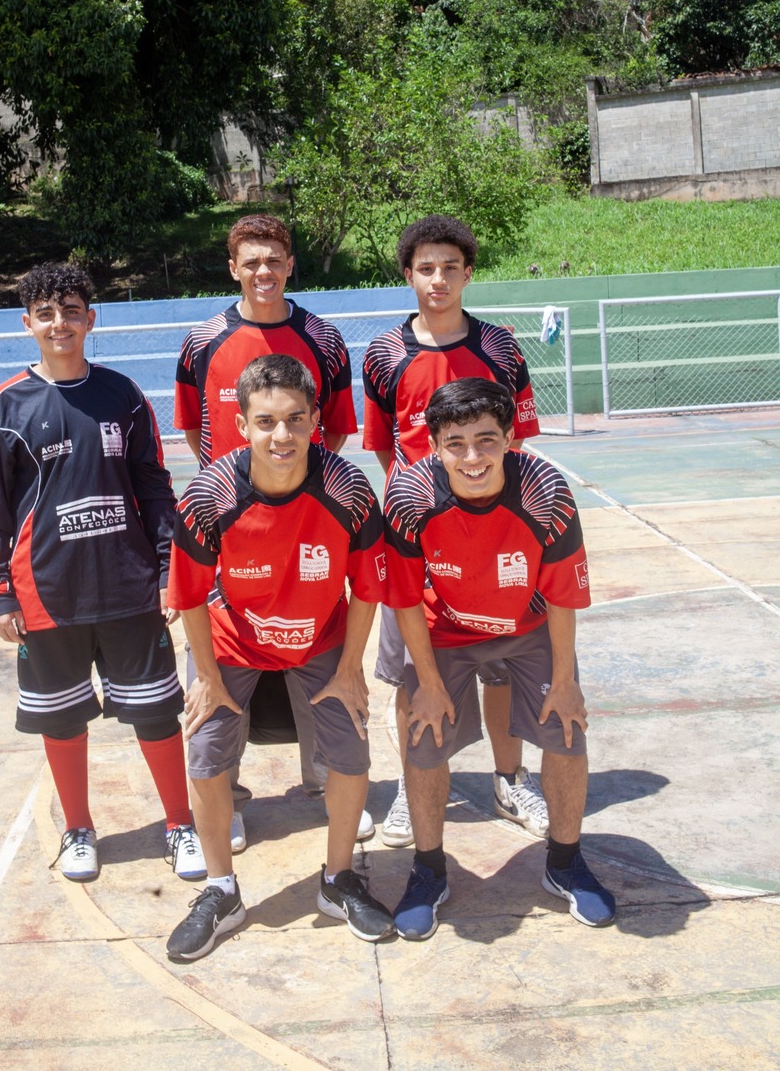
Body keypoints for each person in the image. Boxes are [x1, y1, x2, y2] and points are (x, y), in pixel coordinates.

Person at [0, 262, 205, 883]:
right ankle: (78, 830)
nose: (60, 324)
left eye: (71, 312)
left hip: (129, 585)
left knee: (155, 712)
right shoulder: (5, 405)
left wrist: (167, 570)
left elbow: (155, 488)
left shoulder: (122, 395)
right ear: (27, 324)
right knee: (61, 716)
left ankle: (180, 825)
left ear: (90, 319)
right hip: (47, 591)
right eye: (46, 314)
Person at [165, 355, 393, 961]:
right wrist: (207, 676)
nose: (282, 435)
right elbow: (189, 593)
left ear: (316, 419)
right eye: (265, 422)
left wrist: (350, 667)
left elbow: (368, 585)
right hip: (232, 639)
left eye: (295, 419)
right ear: (241, 425)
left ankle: (338, 879)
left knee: (351, 752)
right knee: (206, 753)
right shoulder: (211, 494)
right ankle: (221, 891)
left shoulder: (346, 488)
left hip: (321, 639)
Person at [384, 378, 615, 940]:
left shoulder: (544, 491)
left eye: (486, 440)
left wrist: (566, 680)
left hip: (529, 626)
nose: (472, 457)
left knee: (566, 729)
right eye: (456, 443)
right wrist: (428, 683)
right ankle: (428, 869)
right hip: (446, 629)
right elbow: (406, 598)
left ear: (510, 437)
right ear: (434, 447)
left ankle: (565, 862)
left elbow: (562, 595)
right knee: (425, 734)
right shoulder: (410, 496)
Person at [174, 214, 373, 849]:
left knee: (318, 644)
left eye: (275, 260)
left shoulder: (324, 337)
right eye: (252, 261)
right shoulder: (202, 341)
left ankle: (324, 782)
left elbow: (335, 425)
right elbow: (194, 428)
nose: (264, 271)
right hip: (235, 526)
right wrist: (239, 488)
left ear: (291, 266)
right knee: (223, 665)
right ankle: (226, 800)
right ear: (233, 267)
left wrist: (299, 481)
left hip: (308, 517)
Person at [362, 215, 545, 849]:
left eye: (449, 268)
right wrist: (420, 510)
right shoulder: (384, 355)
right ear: (408, 275)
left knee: (502, 664)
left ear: (468, 273)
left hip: (494, 538)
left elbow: (516, 441)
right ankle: (412, 787)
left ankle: (509, 778)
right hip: (416, 543)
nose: (437, 279)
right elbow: (385, 449)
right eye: (425, 268)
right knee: (410, 673)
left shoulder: (499, 348)